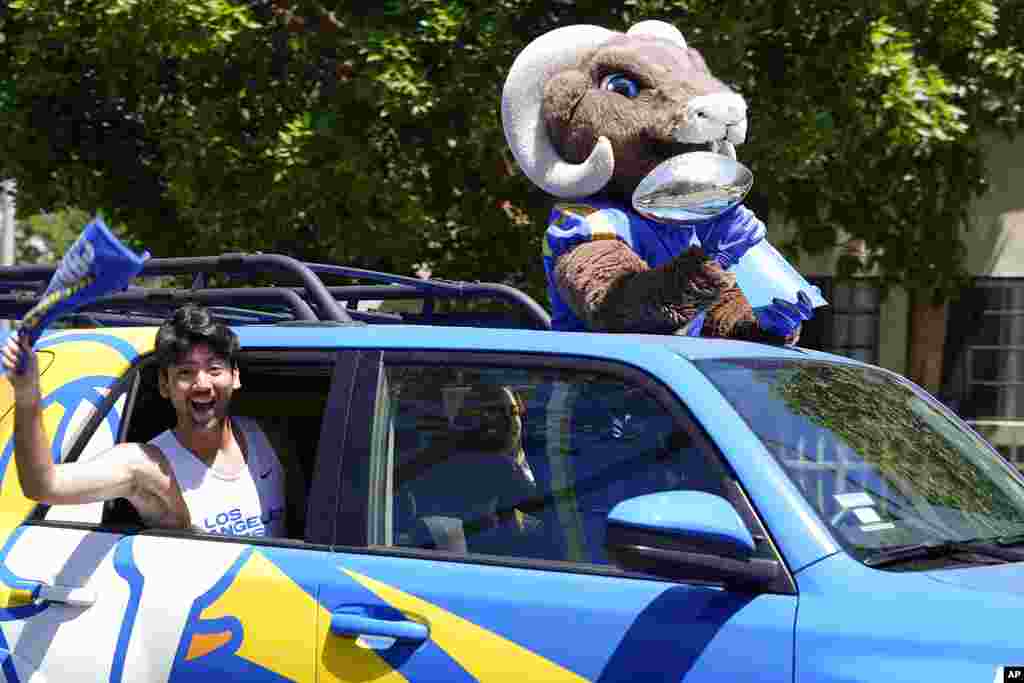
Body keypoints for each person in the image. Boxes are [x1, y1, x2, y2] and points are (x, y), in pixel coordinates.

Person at [1, 304, 291, 538]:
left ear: (235, 376)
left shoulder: (268, 437)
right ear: (164, 385)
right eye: (185, 373)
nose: (202, 384)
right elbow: (44, 485)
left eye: (214, 369)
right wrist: (28, 393)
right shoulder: (147, 467)